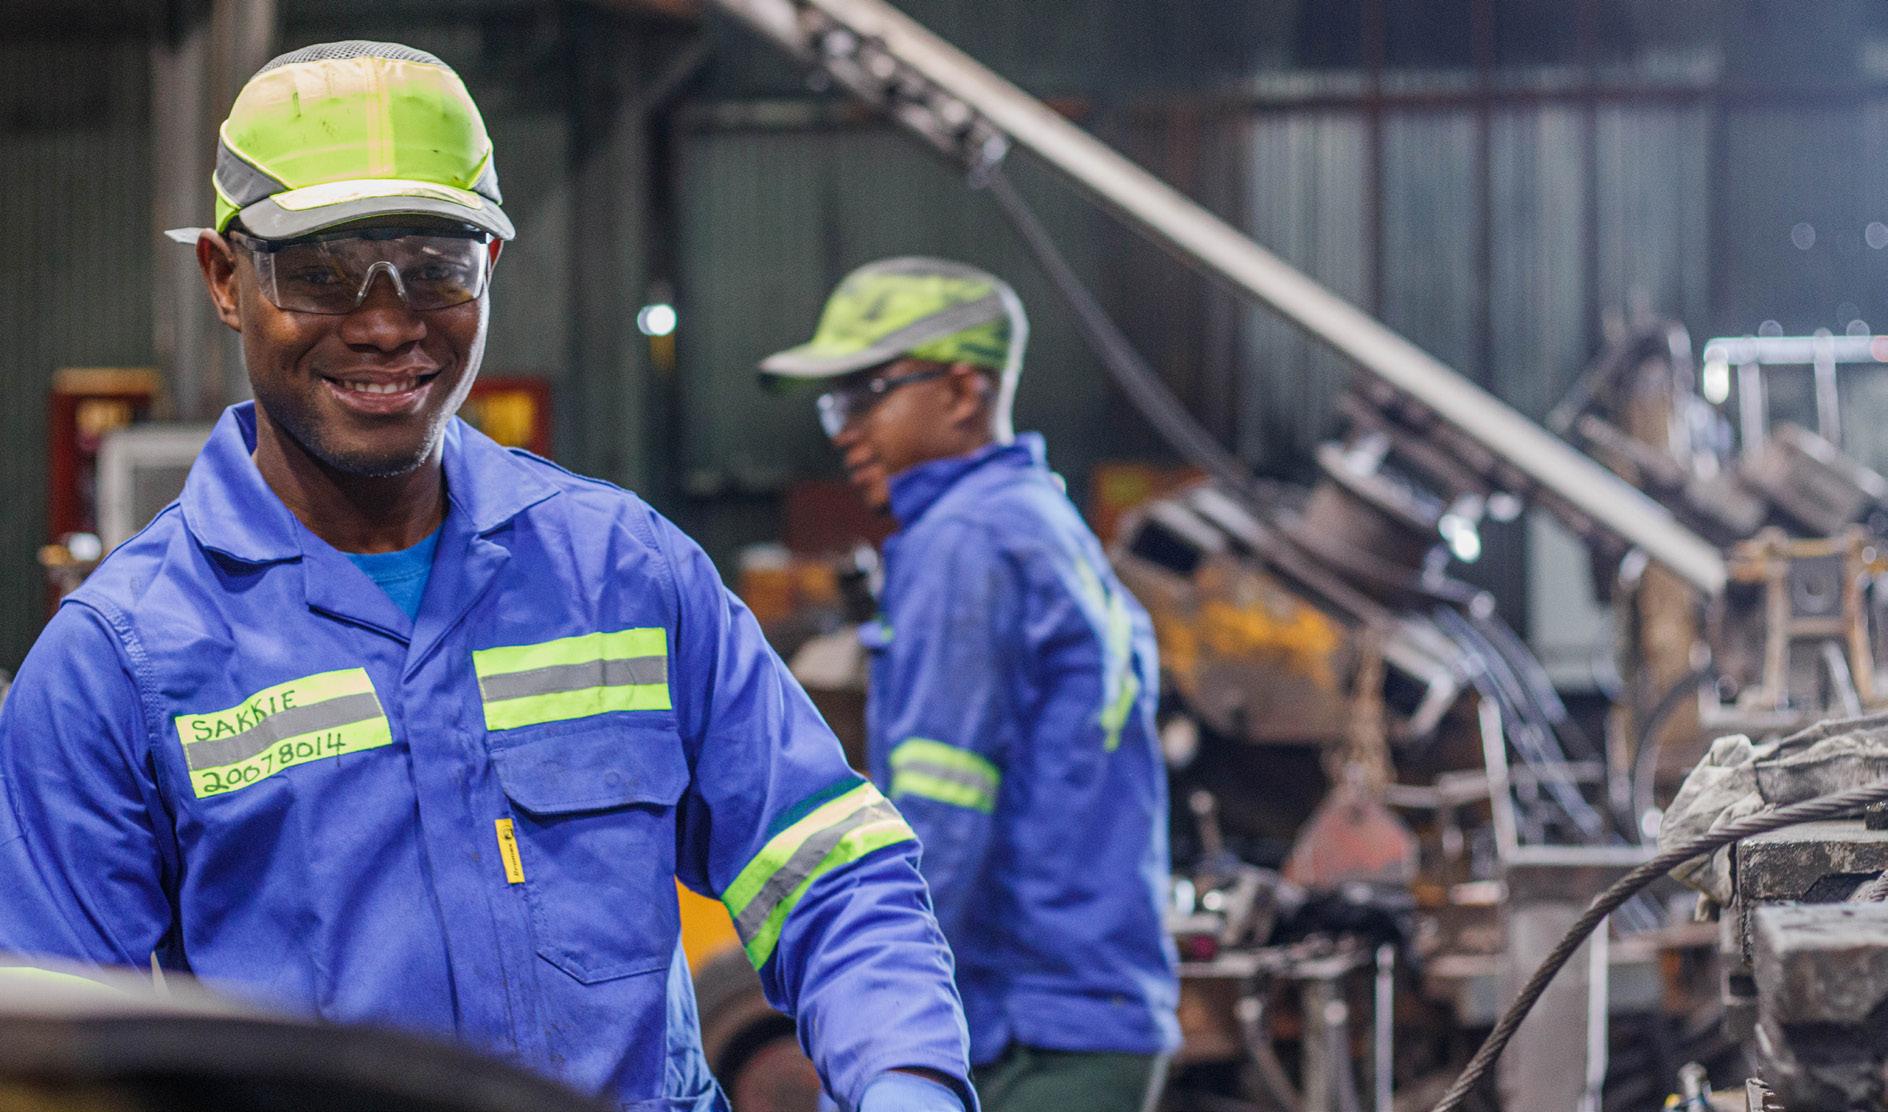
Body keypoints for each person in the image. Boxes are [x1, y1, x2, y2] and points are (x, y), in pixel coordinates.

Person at [0, 43, 974, 1112]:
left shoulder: (624, 574)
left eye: (433, 265)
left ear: (491, 266)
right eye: (318, 272)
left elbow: (826, 866)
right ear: (227, 280)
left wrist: (908, 1079)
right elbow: (53, 1048)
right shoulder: (121, 662)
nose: (384, 322)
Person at [759, 258, 1181, 1112]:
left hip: (1024, 1032)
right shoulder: (1040, 518)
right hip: (1093, 1012)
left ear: (961, 392)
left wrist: (880, 1026)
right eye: (835, 404)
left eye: (867, 393)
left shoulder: (962, 539)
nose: (846, 430)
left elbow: (938, 818)